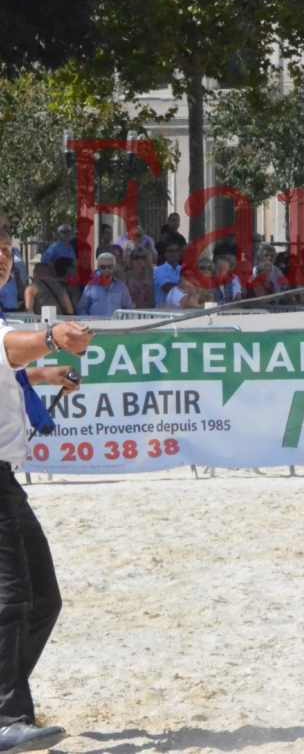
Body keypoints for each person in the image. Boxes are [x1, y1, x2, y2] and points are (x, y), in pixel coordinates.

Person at [0, 232, 95, 752]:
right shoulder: (5, 331)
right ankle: (4, 717)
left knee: (43, 600)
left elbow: (10, 362)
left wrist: (43, 372)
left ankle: (6, 703)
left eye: (7, 255)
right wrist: (56, 336)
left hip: (4, 479)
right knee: (14, 595)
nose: (4, 264)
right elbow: (12, 347)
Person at [78, 252, 133, 317]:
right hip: (96, 326)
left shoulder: (121, 287)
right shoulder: (90, 287)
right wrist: (89, 321)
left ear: (114, 267)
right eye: (103, 267)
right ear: (98, 268)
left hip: (116, 325)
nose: (107, 270)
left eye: (110, 267)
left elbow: (128, 309)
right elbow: (81, 309)